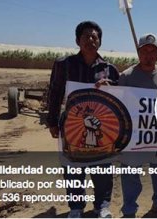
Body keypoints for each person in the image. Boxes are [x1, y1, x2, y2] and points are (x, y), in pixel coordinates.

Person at [47, 21, 120, 218]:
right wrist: (52, 122)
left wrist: (111, 86)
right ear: (77, 40)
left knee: (103, 168)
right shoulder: (64, 64)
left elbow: (119, 98)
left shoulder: (109, 69)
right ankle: (76, 207)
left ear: (100, 42)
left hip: (101, 128)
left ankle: (102, 206)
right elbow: (54, 93)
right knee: (72, 167)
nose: (90, 40)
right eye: (86, 36)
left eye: (94, 37)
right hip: (71, 126)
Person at [118, 33, 157, 218]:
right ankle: (129, 209)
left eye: (153, 51)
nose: (149, 55)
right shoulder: (126, 76)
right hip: (133, 136)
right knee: (130, 174)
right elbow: (117, 105)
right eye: (145, 51)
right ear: (138, 52)